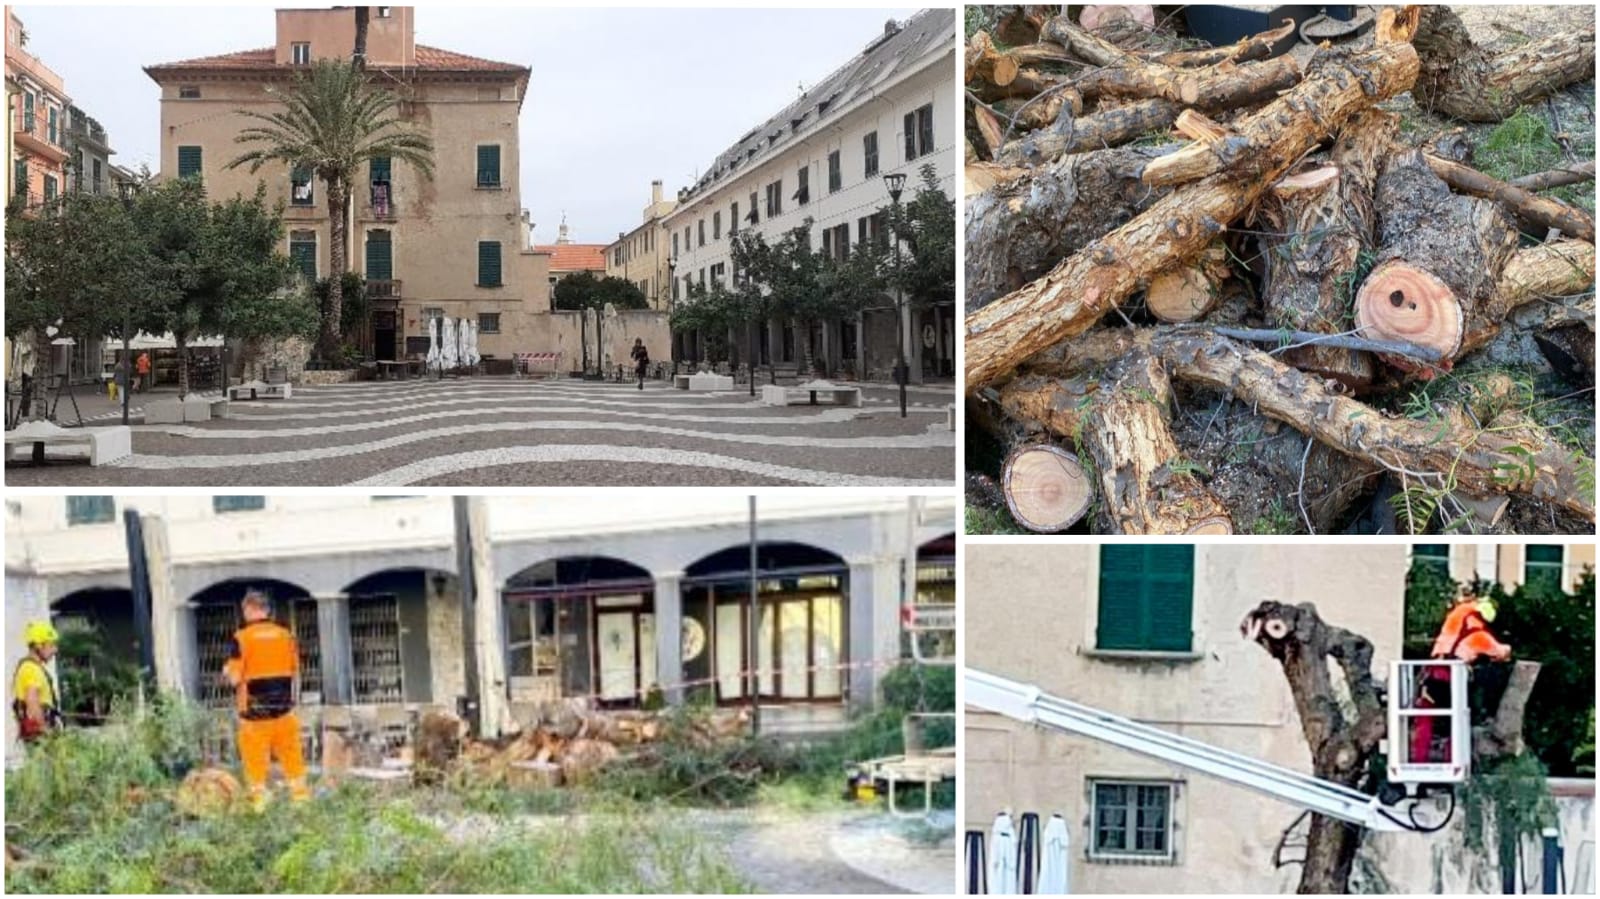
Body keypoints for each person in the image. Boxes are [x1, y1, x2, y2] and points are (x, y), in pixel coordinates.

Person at [224, 592, 309, 810]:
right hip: (283, 712)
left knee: (255, 769)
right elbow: (294, 669)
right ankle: (302, 806)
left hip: (254, 716)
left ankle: (260, 810)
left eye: (244, 611)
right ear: (267, 610)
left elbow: (234, 679)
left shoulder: (241, 638)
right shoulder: (286, 635)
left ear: (250, 609)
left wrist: (227, 671)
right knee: (294, 765)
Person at [12, 621, 64, 743]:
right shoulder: (31, 669)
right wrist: (46, 732)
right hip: (40, 739)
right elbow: (33, 705)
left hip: (38, 737)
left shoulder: (32, 667)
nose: (55, 650)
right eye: (51, 645)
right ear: (38, 646)